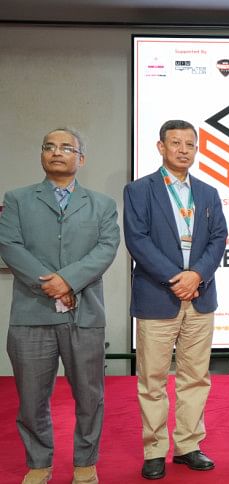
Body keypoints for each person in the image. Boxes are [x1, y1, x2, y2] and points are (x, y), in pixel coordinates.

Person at [0, 128, 120, 484]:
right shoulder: (17, 200)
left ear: (81, 159)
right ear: (41, 155)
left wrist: (67, 281)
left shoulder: (102, 205)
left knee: (90, 395)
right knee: (31, 398)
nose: (56, 152)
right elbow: (9, 245)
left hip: (85, 314)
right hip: (31, 315)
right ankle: (39, 463)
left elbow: (106, 249)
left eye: (66, 147)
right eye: (49, 146)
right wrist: (50, 285)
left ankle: (85, 462)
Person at [123, 120, 228, 479]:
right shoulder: (139, 190)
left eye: (190, 144)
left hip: (200, 295)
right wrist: (176, 278)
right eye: (176, 143)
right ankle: (154, 450)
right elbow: (137, 240)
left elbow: (218, 238)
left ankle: (188, 445)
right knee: (152, 379)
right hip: (157, 295)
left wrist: (197, 275)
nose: (184, 150)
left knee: (195, 377)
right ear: (161, 147)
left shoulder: (208, 192)